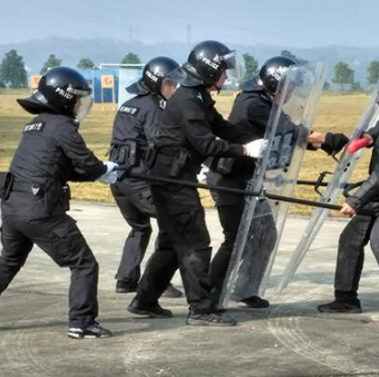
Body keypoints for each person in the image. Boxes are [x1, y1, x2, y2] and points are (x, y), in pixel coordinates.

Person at [127, 40, 267, 326]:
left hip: (172, 176)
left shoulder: (198, 95)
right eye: (223, 71)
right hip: (172, 179)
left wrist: (250, 139)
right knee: (195, 243)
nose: (226, 77)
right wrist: (244, 151)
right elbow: (205, 143)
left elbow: (221, 127)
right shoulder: (188, 99)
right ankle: (201, 309)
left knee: (170, 242)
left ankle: (144, 301)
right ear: (208, 70)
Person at [206, 56, 349, 308]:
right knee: (236, 238)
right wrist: (326, 138)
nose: (291, 94)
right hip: (229, 180)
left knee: (265, 234)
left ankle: (245, 289)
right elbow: (291, 131)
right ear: (275, 84)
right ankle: (209, 294)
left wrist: (322, 144)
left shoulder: (264, 100)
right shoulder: (252, 104)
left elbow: (287, 136)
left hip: (250, 180)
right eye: (288, 89)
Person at [0, 67, 118, 339]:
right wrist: (105, 170)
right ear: (64, 99)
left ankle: (82, 321)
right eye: (77, 99)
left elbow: (58, 169)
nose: (80, 105)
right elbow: (86, 163)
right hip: (39, 212)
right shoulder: (62, 126)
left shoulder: (36, 125)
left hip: (12, 208)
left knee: (9, 261)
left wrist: (101, 173)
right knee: (84, 263)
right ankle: (82, 322)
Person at [109, 56, 182, 298]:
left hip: (119, 179)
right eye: (170, 84)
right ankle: (158, 280)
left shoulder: (129, 104)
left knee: (140, 227)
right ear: (156, 83)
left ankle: (126, 279)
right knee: (172, 222)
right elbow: (160, 143)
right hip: (139, 180)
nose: (174, 88)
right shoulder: (153, 108)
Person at [318, 125, 379, 313]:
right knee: (350, 239)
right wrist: (369, 136)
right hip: (375, 196)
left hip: (374, 189)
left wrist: (355, 201)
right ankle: (346, 299)